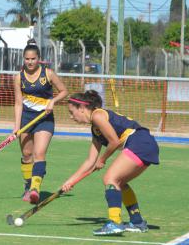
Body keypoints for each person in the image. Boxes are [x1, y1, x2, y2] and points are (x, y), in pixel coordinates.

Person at [62, 90, 159, 236]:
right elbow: (90, 161)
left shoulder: (98, 115)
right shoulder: (95, 129)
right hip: (145, 144)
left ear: (82, 108)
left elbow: (114, 141)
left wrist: (102, 159)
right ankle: (137, 222)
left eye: (72, 112)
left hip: (139, 142)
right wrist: (70, 181)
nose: (71, 117)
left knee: (110, 179)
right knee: (119, 183)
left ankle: (115, 222)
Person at [14, 39, 68, 204]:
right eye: (27, 59)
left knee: (39, 153)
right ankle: (28, 185)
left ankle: (35, 189)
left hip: (45, 119)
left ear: (38, 58)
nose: (30, 62)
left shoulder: (48, 73)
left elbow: (64, 91)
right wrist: (16, 127)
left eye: (33, 59)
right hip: (27, 119)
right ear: (24, 59)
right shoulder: (19, 78)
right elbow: (18, 103)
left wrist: (53, 101)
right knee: (27, 155)